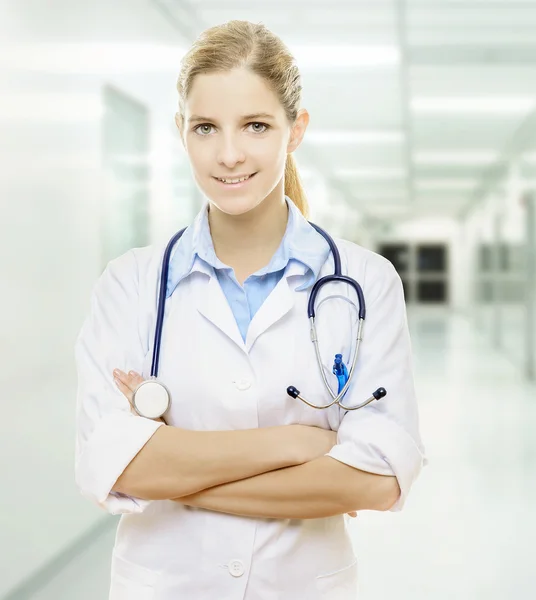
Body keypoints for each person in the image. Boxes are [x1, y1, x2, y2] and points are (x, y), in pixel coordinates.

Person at [74, 20, 427, 600]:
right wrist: (297, 446)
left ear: (295, 131)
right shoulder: (130, 285)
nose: (229, 153)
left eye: (256, 126)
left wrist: (177, 473)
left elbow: (381, 477)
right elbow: (109, 463)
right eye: (206, 127)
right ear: (180, 132)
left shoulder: (364, 282)